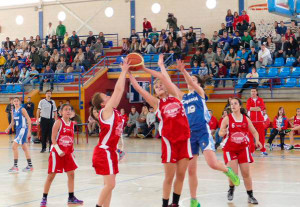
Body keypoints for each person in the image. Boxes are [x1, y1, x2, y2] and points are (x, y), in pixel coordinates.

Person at [128, 55, 192, 207]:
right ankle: (164, 204)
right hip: (169, 142)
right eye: (156, 87)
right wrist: (129, 73)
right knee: (169, 177)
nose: (160, 87)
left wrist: (158, 66)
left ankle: (174, 203)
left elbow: (165, 78)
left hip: (184, 140)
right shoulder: (157, 103)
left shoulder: (177, 96)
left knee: (181, 175)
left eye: (161, 85)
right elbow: (138, 88)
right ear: (155, 92)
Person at [175, 60, 240, 207]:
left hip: (203, 132)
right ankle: (194, 200)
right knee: (191, 170)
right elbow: (170, 85)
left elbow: (193, 84)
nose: (189, 81)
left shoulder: (200, 94)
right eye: (189, 80)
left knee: (212, 164)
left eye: (193, 79)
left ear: (198, 83)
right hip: (189, 135)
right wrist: (161, 68)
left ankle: (227, 170)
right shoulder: (183, 97)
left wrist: (183, 71)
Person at [91, 59, 130, 207]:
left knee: (110, 186)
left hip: (111, 151)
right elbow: (119, 90)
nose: (109, 96)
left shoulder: (113, 111)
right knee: (110, 185)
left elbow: (119, 93)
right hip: (104, 151)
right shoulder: (105, 111)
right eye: (106, 97)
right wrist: (123, 70)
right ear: (102, 103)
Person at [219, 98, 262, 204]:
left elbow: (255, 132)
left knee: (246, 173)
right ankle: (231, 189)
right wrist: (222, 132)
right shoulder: (227, 119)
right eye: (231, 104)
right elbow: (220, 133)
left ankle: (250, 195)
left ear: (240, 106)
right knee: (233, 174)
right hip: (230, 149)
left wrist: (257, 141)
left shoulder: (246, 119)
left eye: (235, 103)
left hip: (243, 148)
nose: (233, 105)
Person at [40, 104, 83, 207]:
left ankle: (71, 197)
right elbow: (53, 138)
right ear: (61, 112)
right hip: (57, 152)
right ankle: (44, 198)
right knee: (51, 176)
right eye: (66, 109)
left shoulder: (72, 124)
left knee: (71, 175)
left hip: (68, 153)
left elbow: (71, 140)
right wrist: (59, 151)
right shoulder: (58, 122)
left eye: (69, 109)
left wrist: (72, 152)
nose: (68, 111)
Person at [5, 97, 33, 173]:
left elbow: (28, 119)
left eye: (17, 101)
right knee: (25, 148)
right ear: (12, 102)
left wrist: (29, 131)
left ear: (19, 102)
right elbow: (12, 122)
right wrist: (8, 128)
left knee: (14, 146)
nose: (16, 102)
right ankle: (30, 166)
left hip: (23, 130)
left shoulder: (22, 109)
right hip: (18, 131)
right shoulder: (13, 111)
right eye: (15, 101)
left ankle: (15, 166)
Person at [246, 88, 267, 156]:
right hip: (251, 121)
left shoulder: (260, 100)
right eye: (251, 91)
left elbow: (262, 108)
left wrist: (254, 108)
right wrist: (257, 108)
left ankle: (263, 150)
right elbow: (249, 108)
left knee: (261, 136)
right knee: (250, 136)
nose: (253, 92)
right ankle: (251, 151)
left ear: (256, 92)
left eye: (254, 91)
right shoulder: (249, 100)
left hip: (260, 121)